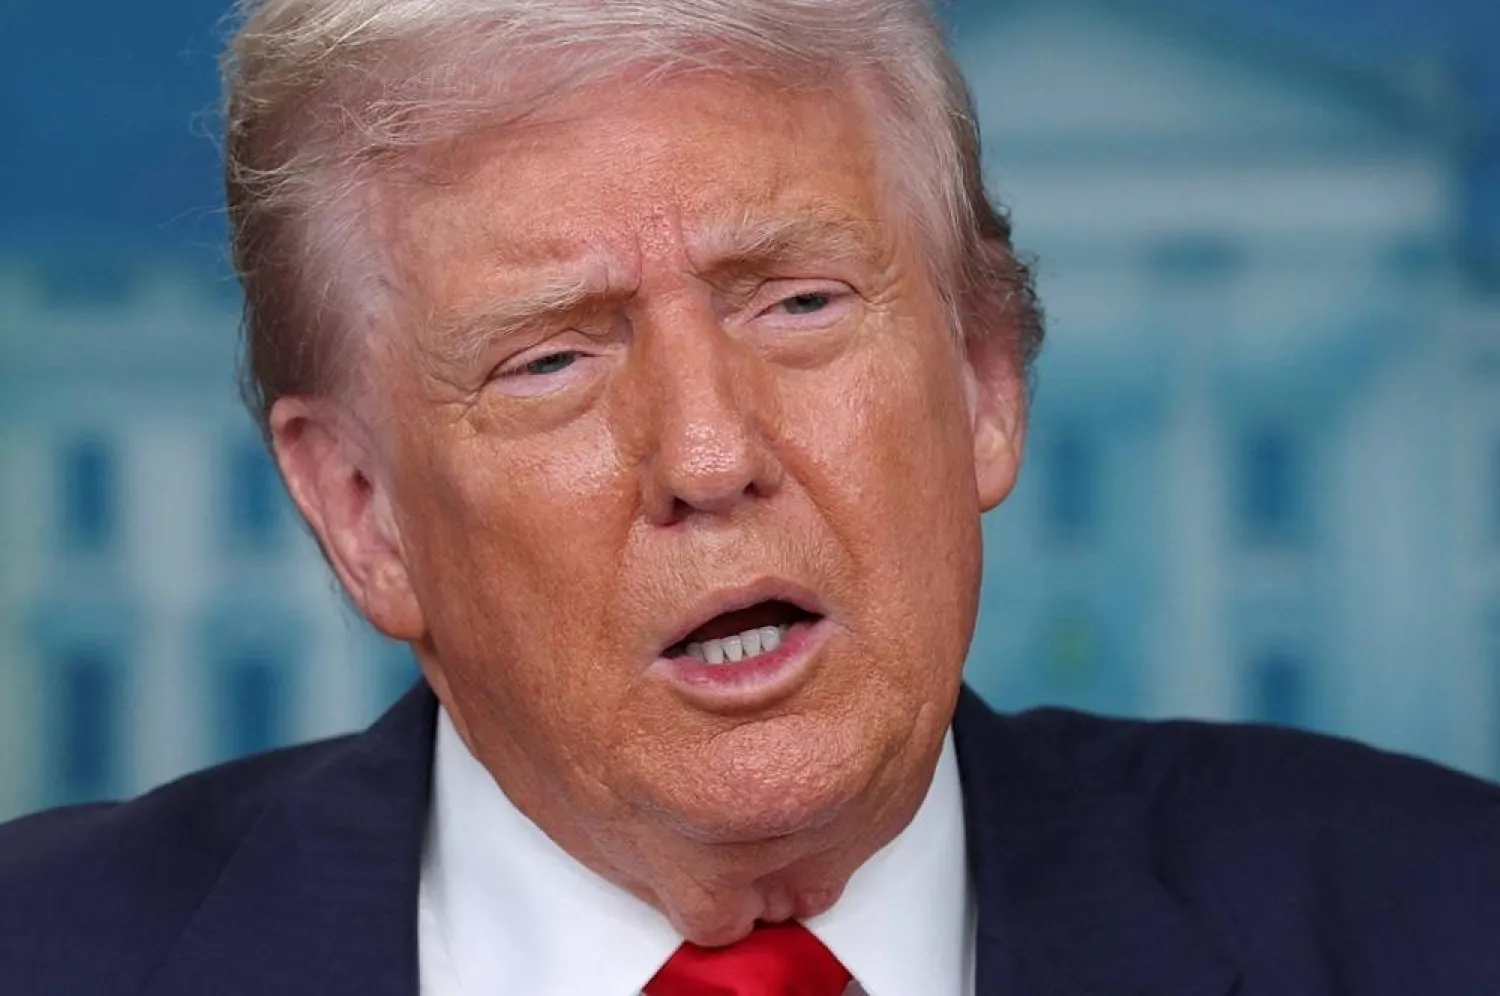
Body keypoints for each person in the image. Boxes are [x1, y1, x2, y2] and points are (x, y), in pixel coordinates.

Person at [3, 0, 1498, 993]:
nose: (710, 456)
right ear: (361, 512)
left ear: (987, 382)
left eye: (796, 304)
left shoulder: (1445, 918)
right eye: (551, 361)